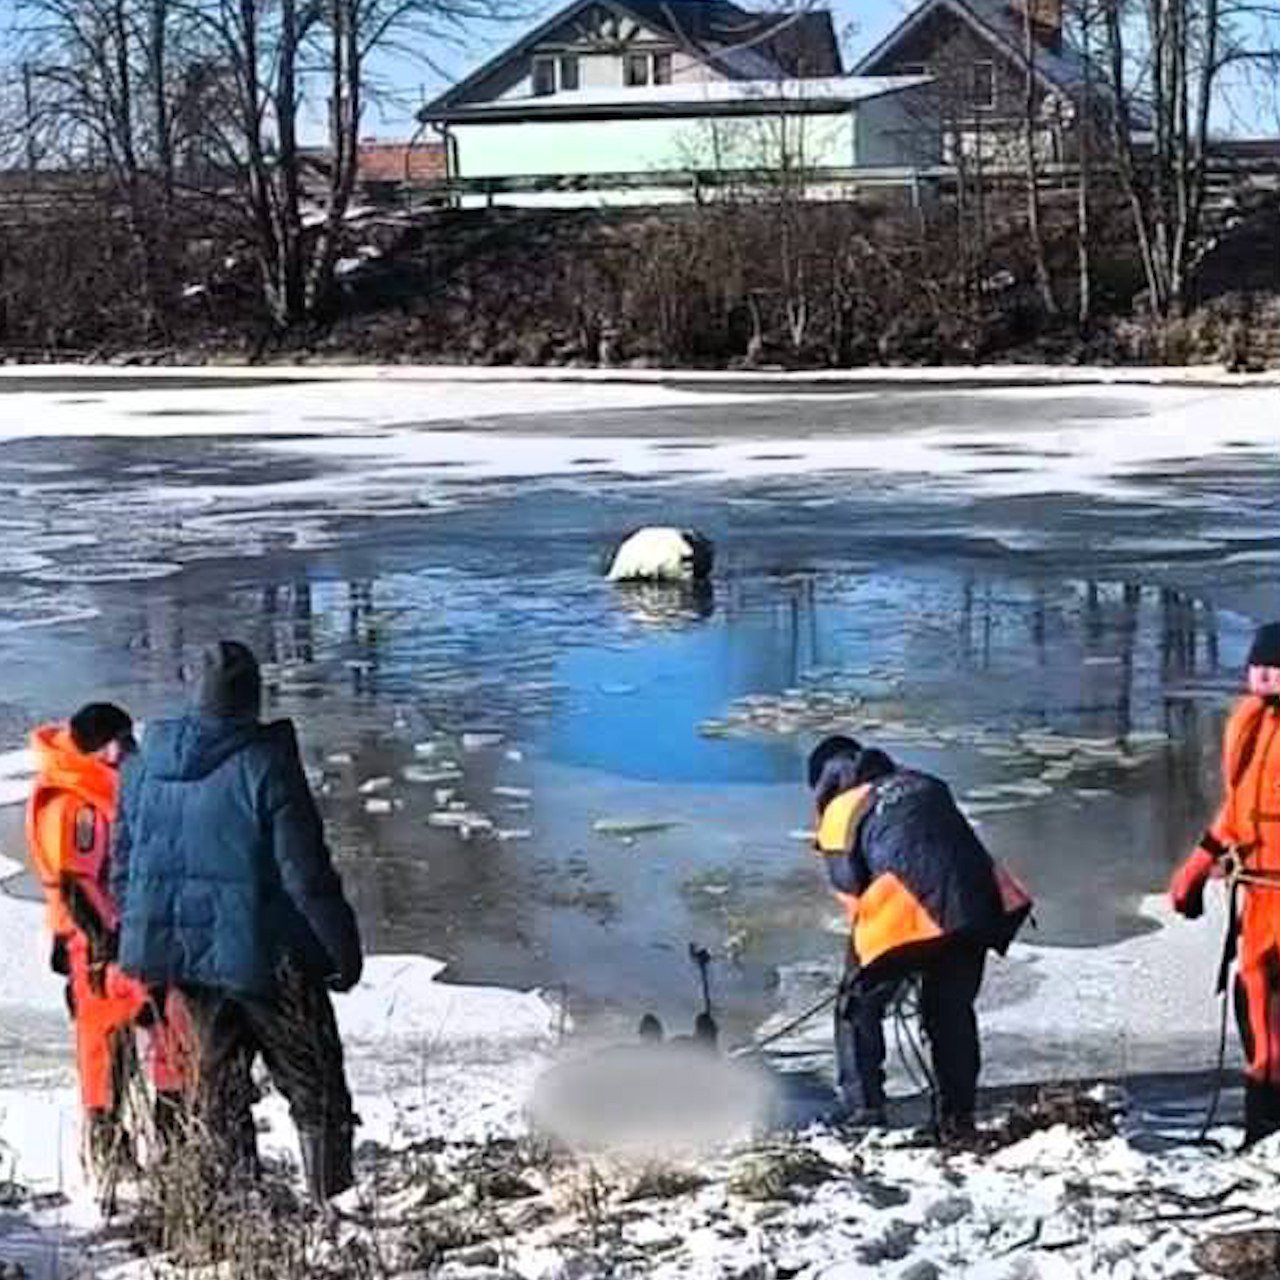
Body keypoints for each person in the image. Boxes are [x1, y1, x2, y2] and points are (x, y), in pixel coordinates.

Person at [111, 641, 364, 1199]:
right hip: (267, 958)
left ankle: (238, 1209)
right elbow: (306, 874)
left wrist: (138, 939)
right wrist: (341, 953)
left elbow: (123, 868)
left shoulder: (141, 767)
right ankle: (332, 1207)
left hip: (191, 961)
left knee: (220, 1087)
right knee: (317, 1086)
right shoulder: (264, 763)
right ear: (251, 696)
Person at [808, 735, 1032, 1139]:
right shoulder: (925, 782)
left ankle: (863, 1111)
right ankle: (956, 1119)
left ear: (825, 784)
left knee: (855, 1005)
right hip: (976, 907)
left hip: (910, 910)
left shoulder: (841, 810)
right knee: (949, 1012)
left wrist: (882, 962)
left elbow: (852, 894)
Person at [26, 704, 188, 1176]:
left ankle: (160, 1143)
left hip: (109, 936)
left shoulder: (84, 790)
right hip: (96, 944)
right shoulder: (76, 804)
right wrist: (105, 946)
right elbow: (76, 883)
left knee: (153, 1033)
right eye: (126, 741)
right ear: (107, 748)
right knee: (113, 1047)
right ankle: (118, 1155)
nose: (132, 750)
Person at [1170, 621, 1280, 1145]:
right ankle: (1265, 1132)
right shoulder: (1252, 725)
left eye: (1275, 667)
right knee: (1254, 1000)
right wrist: (1197, 866)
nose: (1264, 675)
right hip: (1260, 897)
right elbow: (1240, 812)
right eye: (1258, 666)